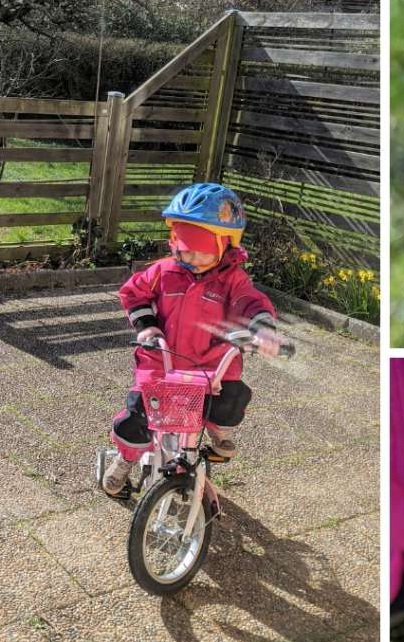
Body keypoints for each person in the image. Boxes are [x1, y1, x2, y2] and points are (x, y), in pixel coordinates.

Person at [100, 182, 277, 498]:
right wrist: (147, 327)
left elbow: (251, 301)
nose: (191, 256)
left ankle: (217, 429)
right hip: (161, 361)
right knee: (138, 415)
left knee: (232, 399)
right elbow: (133, 293)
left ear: (225, 244)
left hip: (210, 366)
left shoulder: (232, 280)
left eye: (201, 247)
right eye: (183, 245)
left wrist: (261, 329)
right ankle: (125, 459)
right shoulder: (164, 271)